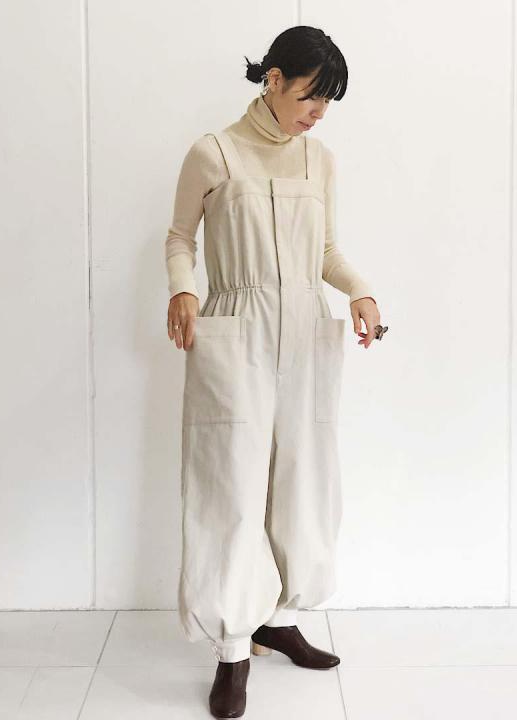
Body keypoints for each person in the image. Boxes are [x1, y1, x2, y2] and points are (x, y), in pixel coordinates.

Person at [165, 26, 386, 719]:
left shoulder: (319, 159)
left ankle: (280, 618)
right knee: (230, 485)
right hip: (236, 329)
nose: (317, 113)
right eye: (310, 96)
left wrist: (360, 291)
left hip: (305, 333)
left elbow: (326, 250)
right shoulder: (214, 152)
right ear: (274, 80)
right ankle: (234, 646)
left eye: (328, 102)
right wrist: (183, 290)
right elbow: (180, 237)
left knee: (303, 480)